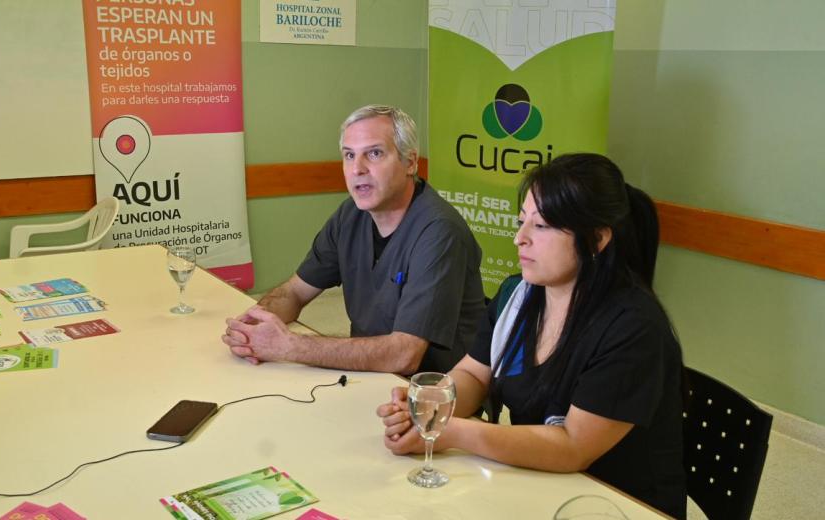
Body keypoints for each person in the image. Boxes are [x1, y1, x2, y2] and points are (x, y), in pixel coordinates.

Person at [376, 153, 686, 518]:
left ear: (597, 239)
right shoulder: (518, 296)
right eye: (522, 222)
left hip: (615, 505)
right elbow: (476, 373)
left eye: (541, 227)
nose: (519, 239)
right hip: (538, 485)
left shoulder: (633, 327)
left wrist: (453, 432)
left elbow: (573, 446)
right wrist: (434, 405)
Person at [222, 105, 485, 375]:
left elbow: (404, 355)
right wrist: (253, 324)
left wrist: (289, 346)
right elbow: (296, 291)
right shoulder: (350, 215)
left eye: (374, 153)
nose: (357, 169)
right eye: (349, 155)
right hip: (366, 375)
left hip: (432, 397)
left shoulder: (439, 231)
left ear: (410, 162)